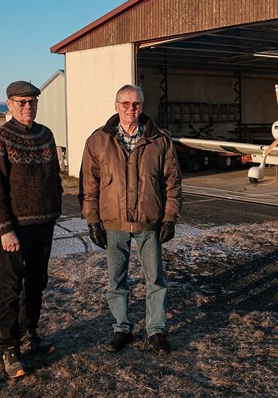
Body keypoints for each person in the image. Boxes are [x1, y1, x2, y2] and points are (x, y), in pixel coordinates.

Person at [79, 84, 182, 355]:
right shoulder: (98, 140)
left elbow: (172, 182)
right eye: (125, 103)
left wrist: (170, 217)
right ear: (116, 106)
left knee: (155, 279)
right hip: (114, 222)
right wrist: (92, 220)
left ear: (141, 106)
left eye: (135, 104)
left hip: (149, 221)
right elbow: (89, 184)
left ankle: (156, 331)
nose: (130, 108)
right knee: (117, 280)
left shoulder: (159, 140)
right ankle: (121, 329)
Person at [0, 80, 63, 379]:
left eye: (32, 102)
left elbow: (54, 176)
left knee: (37, 284)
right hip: (14, 229)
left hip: (44, 225)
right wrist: (4, 229)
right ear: (10, 105)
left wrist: (55, 207)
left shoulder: (46, 135)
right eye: (21, 102)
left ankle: (30, 333)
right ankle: (10, 346)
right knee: (11, 288)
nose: (28, 107)